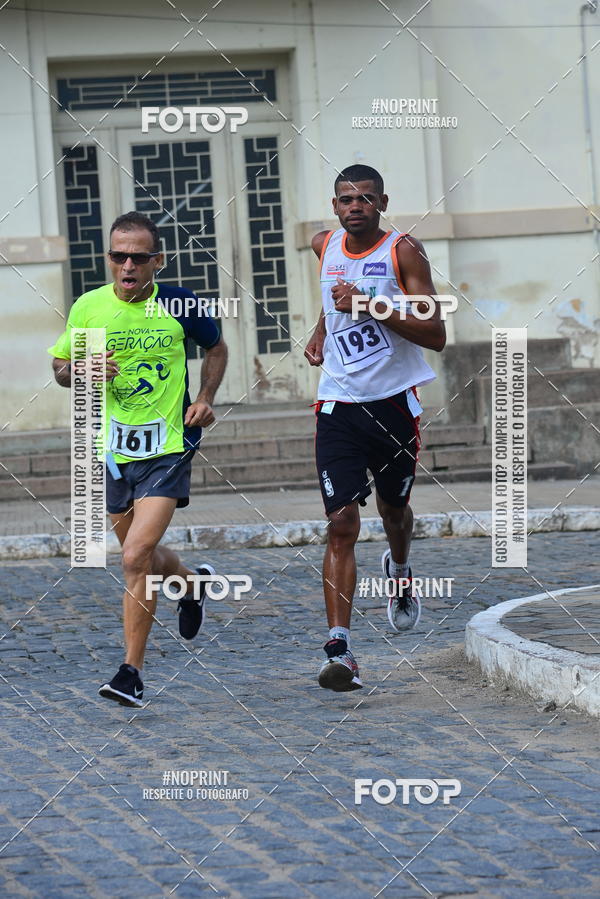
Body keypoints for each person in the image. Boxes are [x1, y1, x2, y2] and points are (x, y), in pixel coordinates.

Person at [49, 211, 228, 707]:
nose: (127, 265)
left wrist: (207, 396)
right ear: (109, 258)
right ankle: (191, 586)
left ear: (157, 261)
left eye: (138, 257)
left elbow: (216, 348)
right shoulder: (89, 308)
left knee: (132, 559)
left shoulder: (178, 303)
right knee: (143, 555)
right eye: (118, 256)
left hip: (169, 446)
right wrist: (81, 368)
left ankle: (131, 673)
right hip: (112, 451)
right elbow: (61, 370)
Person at [304, 164, 446, 692]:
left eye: (366, 197)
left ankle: (401, 569)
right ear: (335, 206)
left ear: (383, 201)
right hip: (338, 404)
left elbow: (435, 333)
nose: (355, 206)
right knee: (341, 524)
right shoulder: (324, 245)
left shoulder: (404, 251)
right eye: (346, 199)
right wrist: (321, 329)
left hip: (393, 407)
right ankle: (339, 649)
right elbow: (330, 296)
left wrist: (369, 304)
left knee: (393, 510)